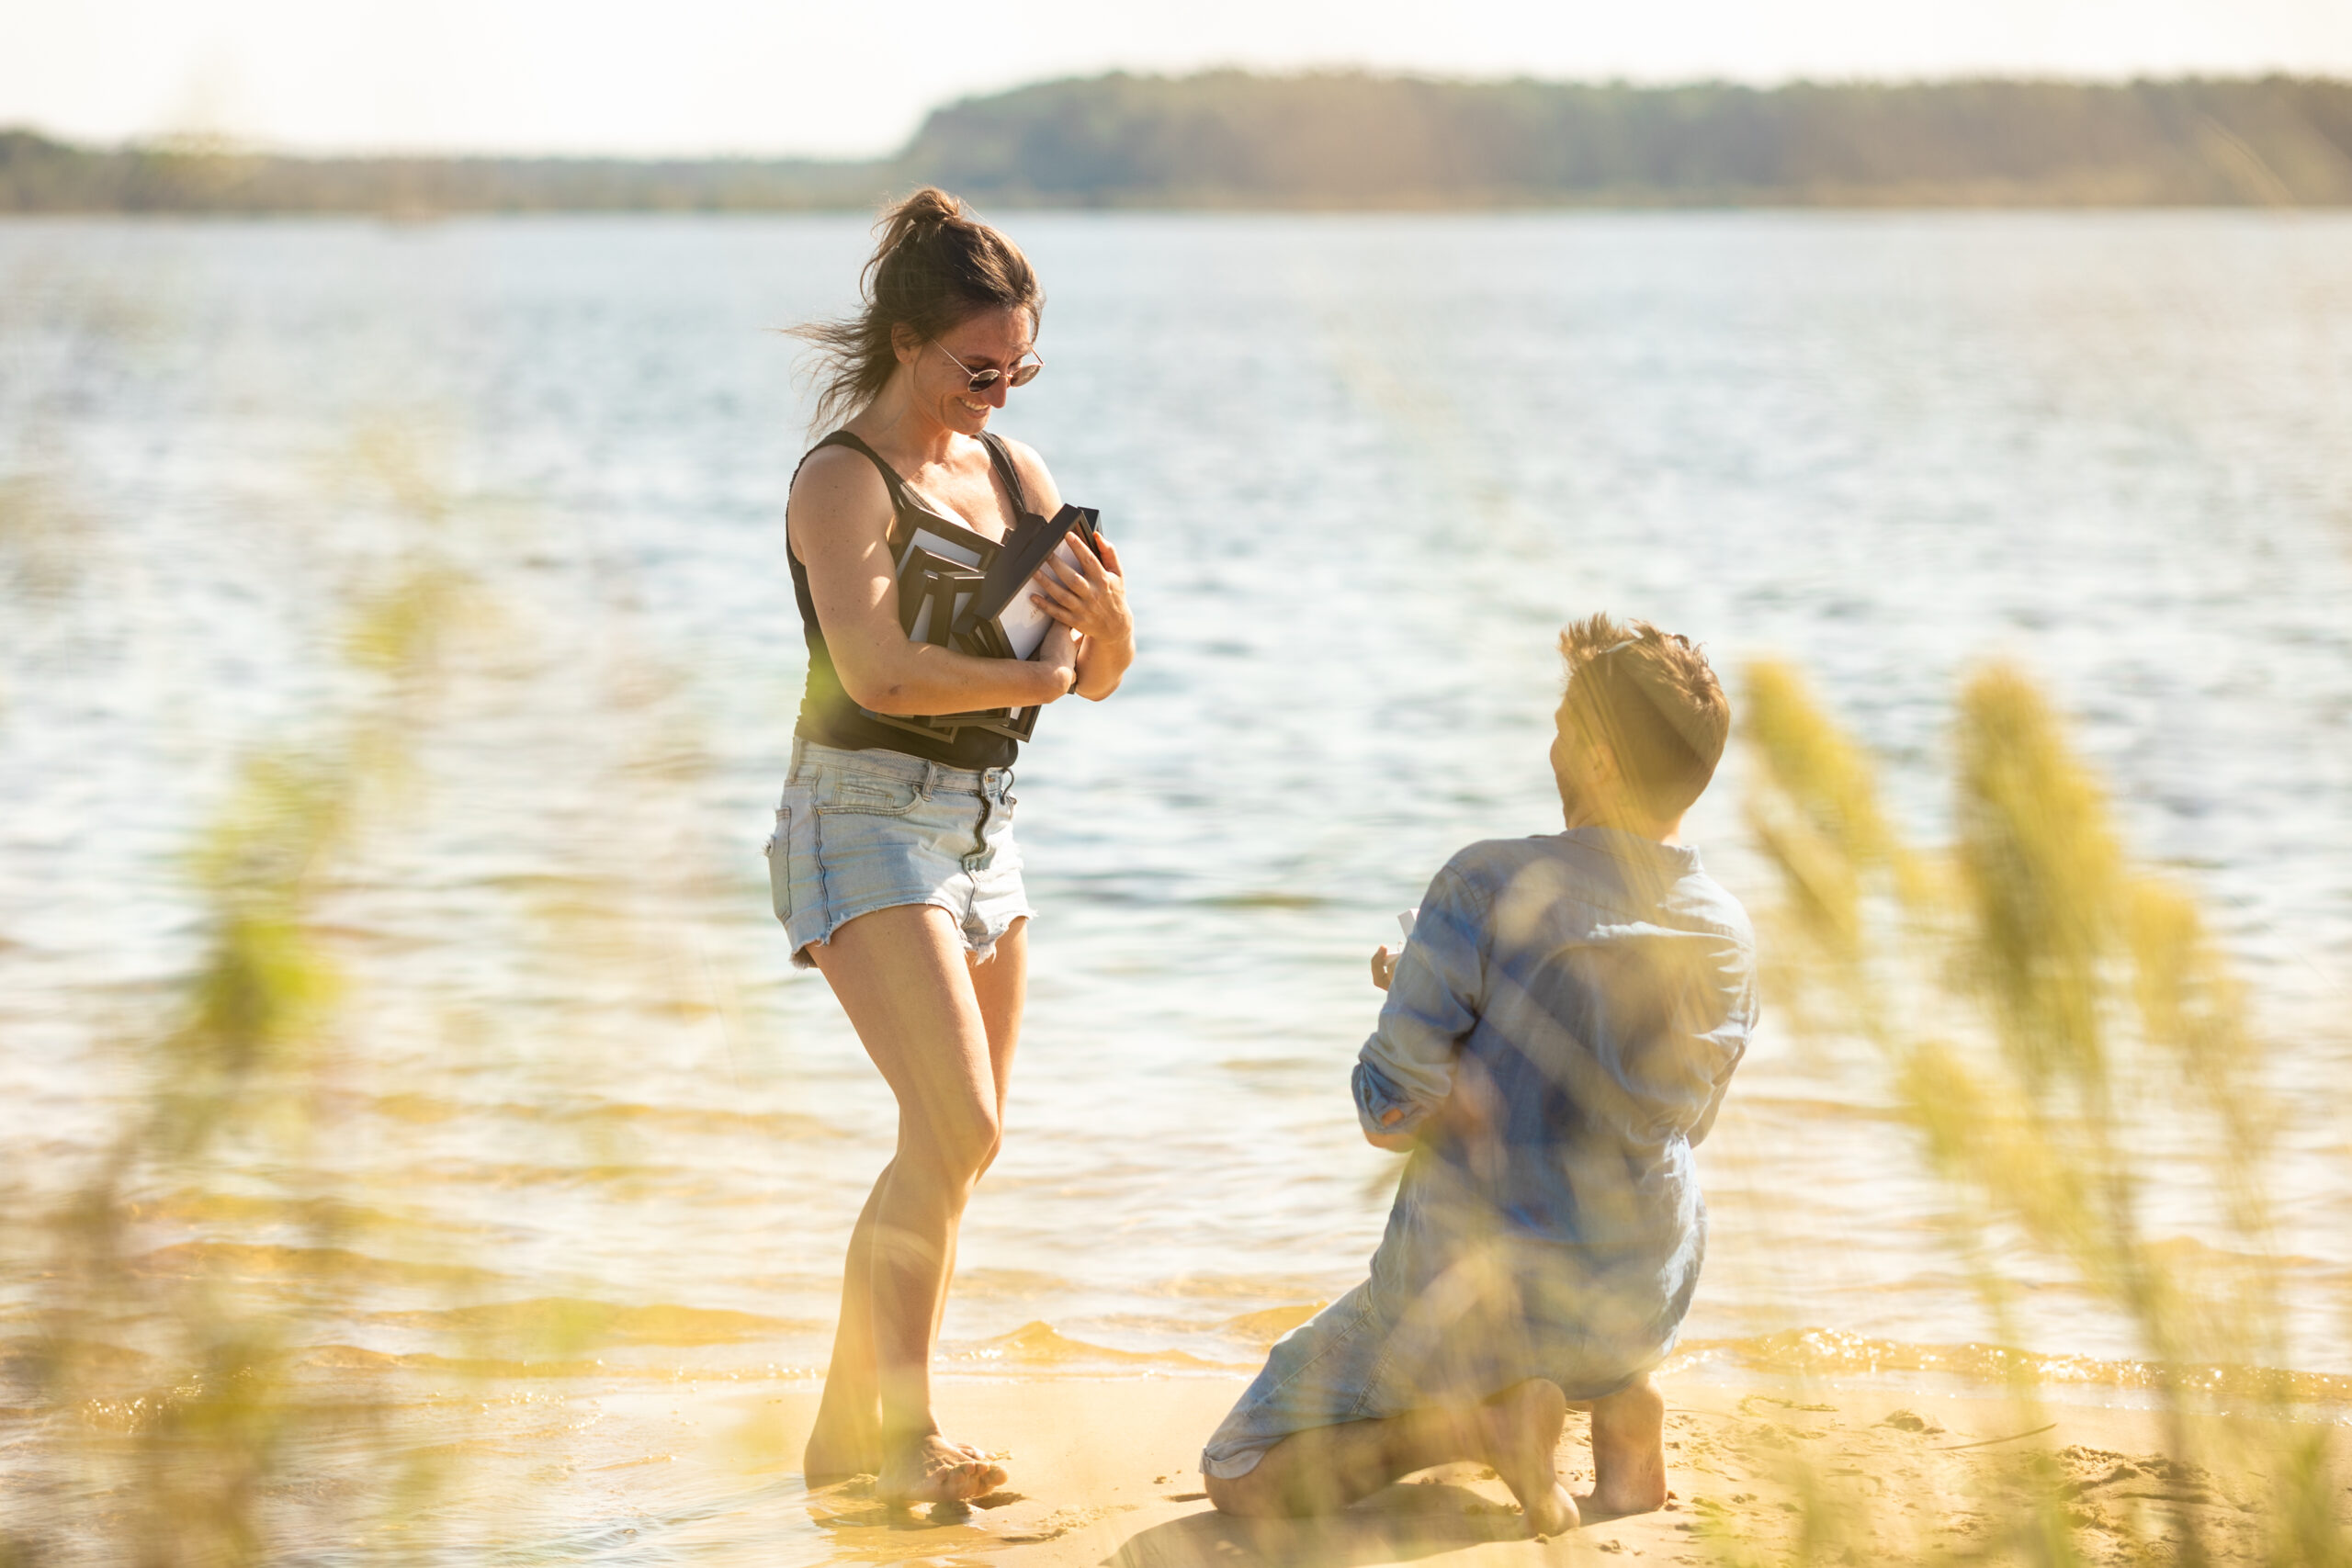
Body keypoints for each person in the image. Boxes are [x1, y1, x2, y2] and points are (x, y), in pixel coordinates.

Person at [1200, 615, 1754, 1537]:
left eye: (1565, 723)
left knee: (1242, 1467)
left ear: (1603, 761)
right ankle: (1623, 1414)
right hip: (1641, 1292)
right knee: (1619, 1221)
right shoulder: (1727, 929)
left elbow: (1392, 1109)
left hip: (1486, 1297)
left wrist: (1417, 991)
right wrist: (1458, 1000)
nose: (1551, 741)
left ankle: (1480, 1420)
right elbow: (1672, 1121)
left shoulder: (1486, 883)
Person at [774, 187, 1135, 1505]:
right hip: (858, 815)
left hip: (986, 832)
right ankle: (900, 1431)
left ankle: (844, 1432)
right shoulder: (839, 481)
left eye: (1022, 366)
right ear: (908, 340)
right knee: (956, 1120)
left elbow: (1099, 674)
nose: (1003, 389)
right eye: (982, 366)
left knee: (959, 1144)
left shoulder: (1016, 475)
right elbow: (878, 676)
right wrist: (1046, 683)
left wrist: (1105, 630)